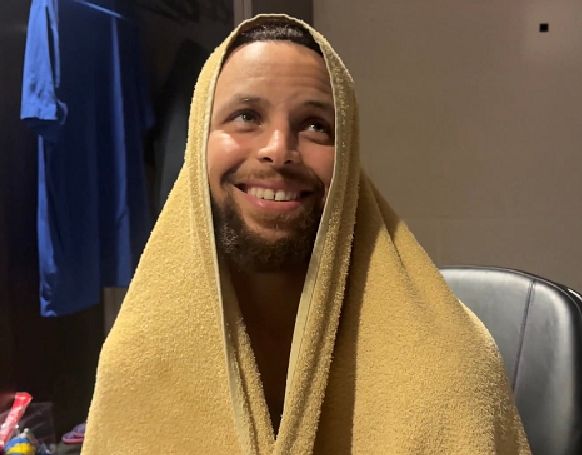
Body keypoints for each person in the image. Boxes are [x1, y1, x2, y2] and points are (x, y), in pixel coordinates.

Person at [81, 15, 531, 454]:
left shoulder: (449, 371)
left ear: (348, 157)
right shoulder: (136, 366)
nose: (278, 150)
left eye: (316, 125)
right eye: (246, 116)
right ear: (199, 141)